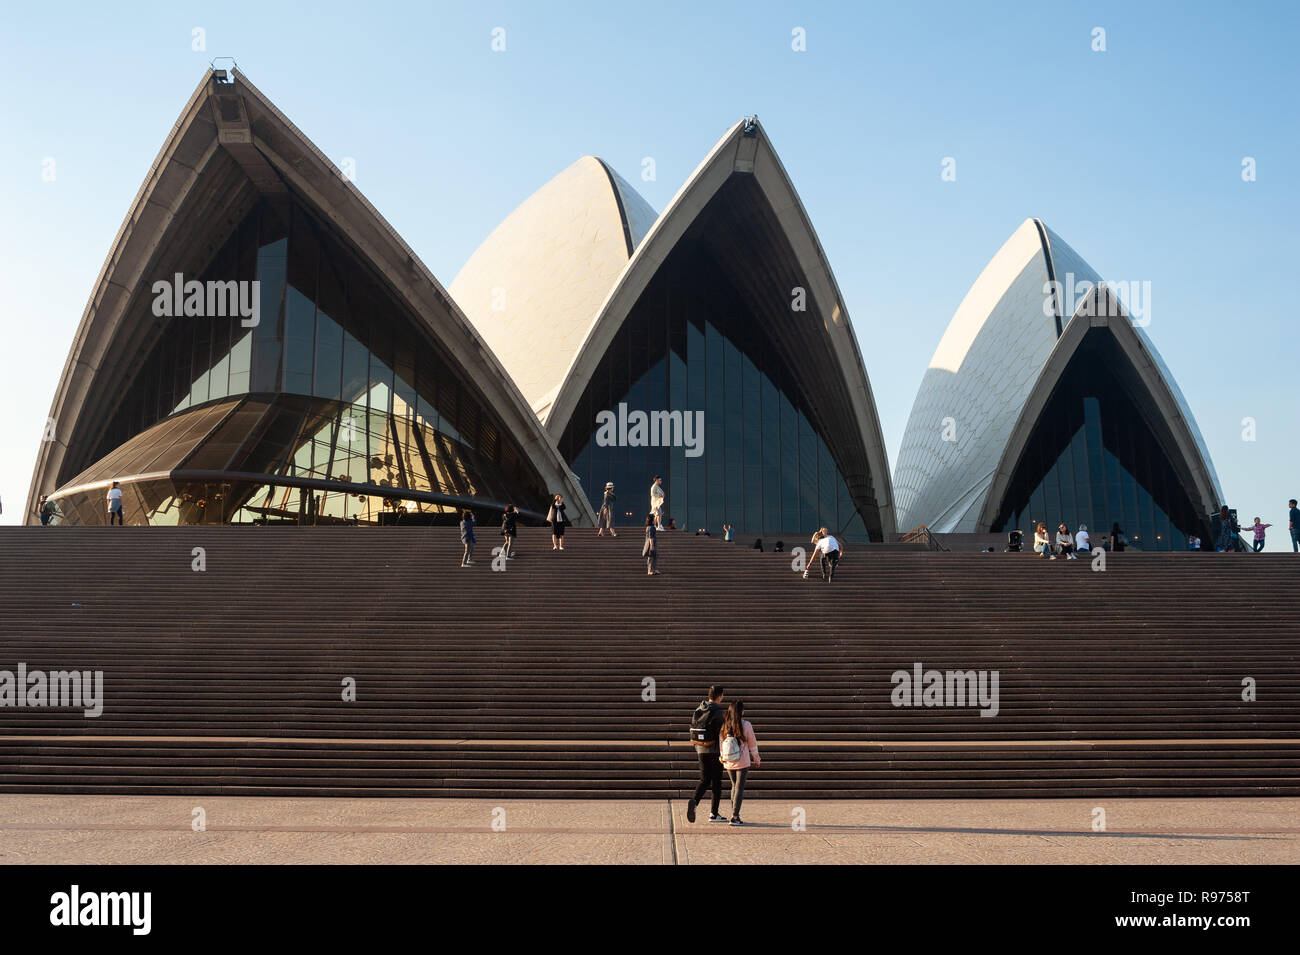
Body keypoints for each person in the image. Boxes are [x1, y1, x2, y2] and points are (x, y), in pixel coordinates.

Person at [687, 686, 727, 824]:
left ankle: (694, 800)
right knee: (716, 782)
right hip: (714, 750)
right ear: (719, 696)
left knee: (704, 780)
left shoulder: (699, 709)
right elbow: (722, 734)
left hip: (700, 749)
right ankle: (713, 814)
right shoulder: (718, 712)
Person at [718, 700, 761, 827]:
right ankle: (735, 816)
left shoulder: (725, 725)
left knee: (734, 786)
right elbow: (752, 743)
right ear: (741, 712)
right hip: (742, 761)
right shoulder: (746, 725)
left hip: (729, 760)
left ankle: (734, 814)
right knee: (739, 788)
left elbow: (721, 742)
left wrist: (721, 756)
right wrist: (756, 758)